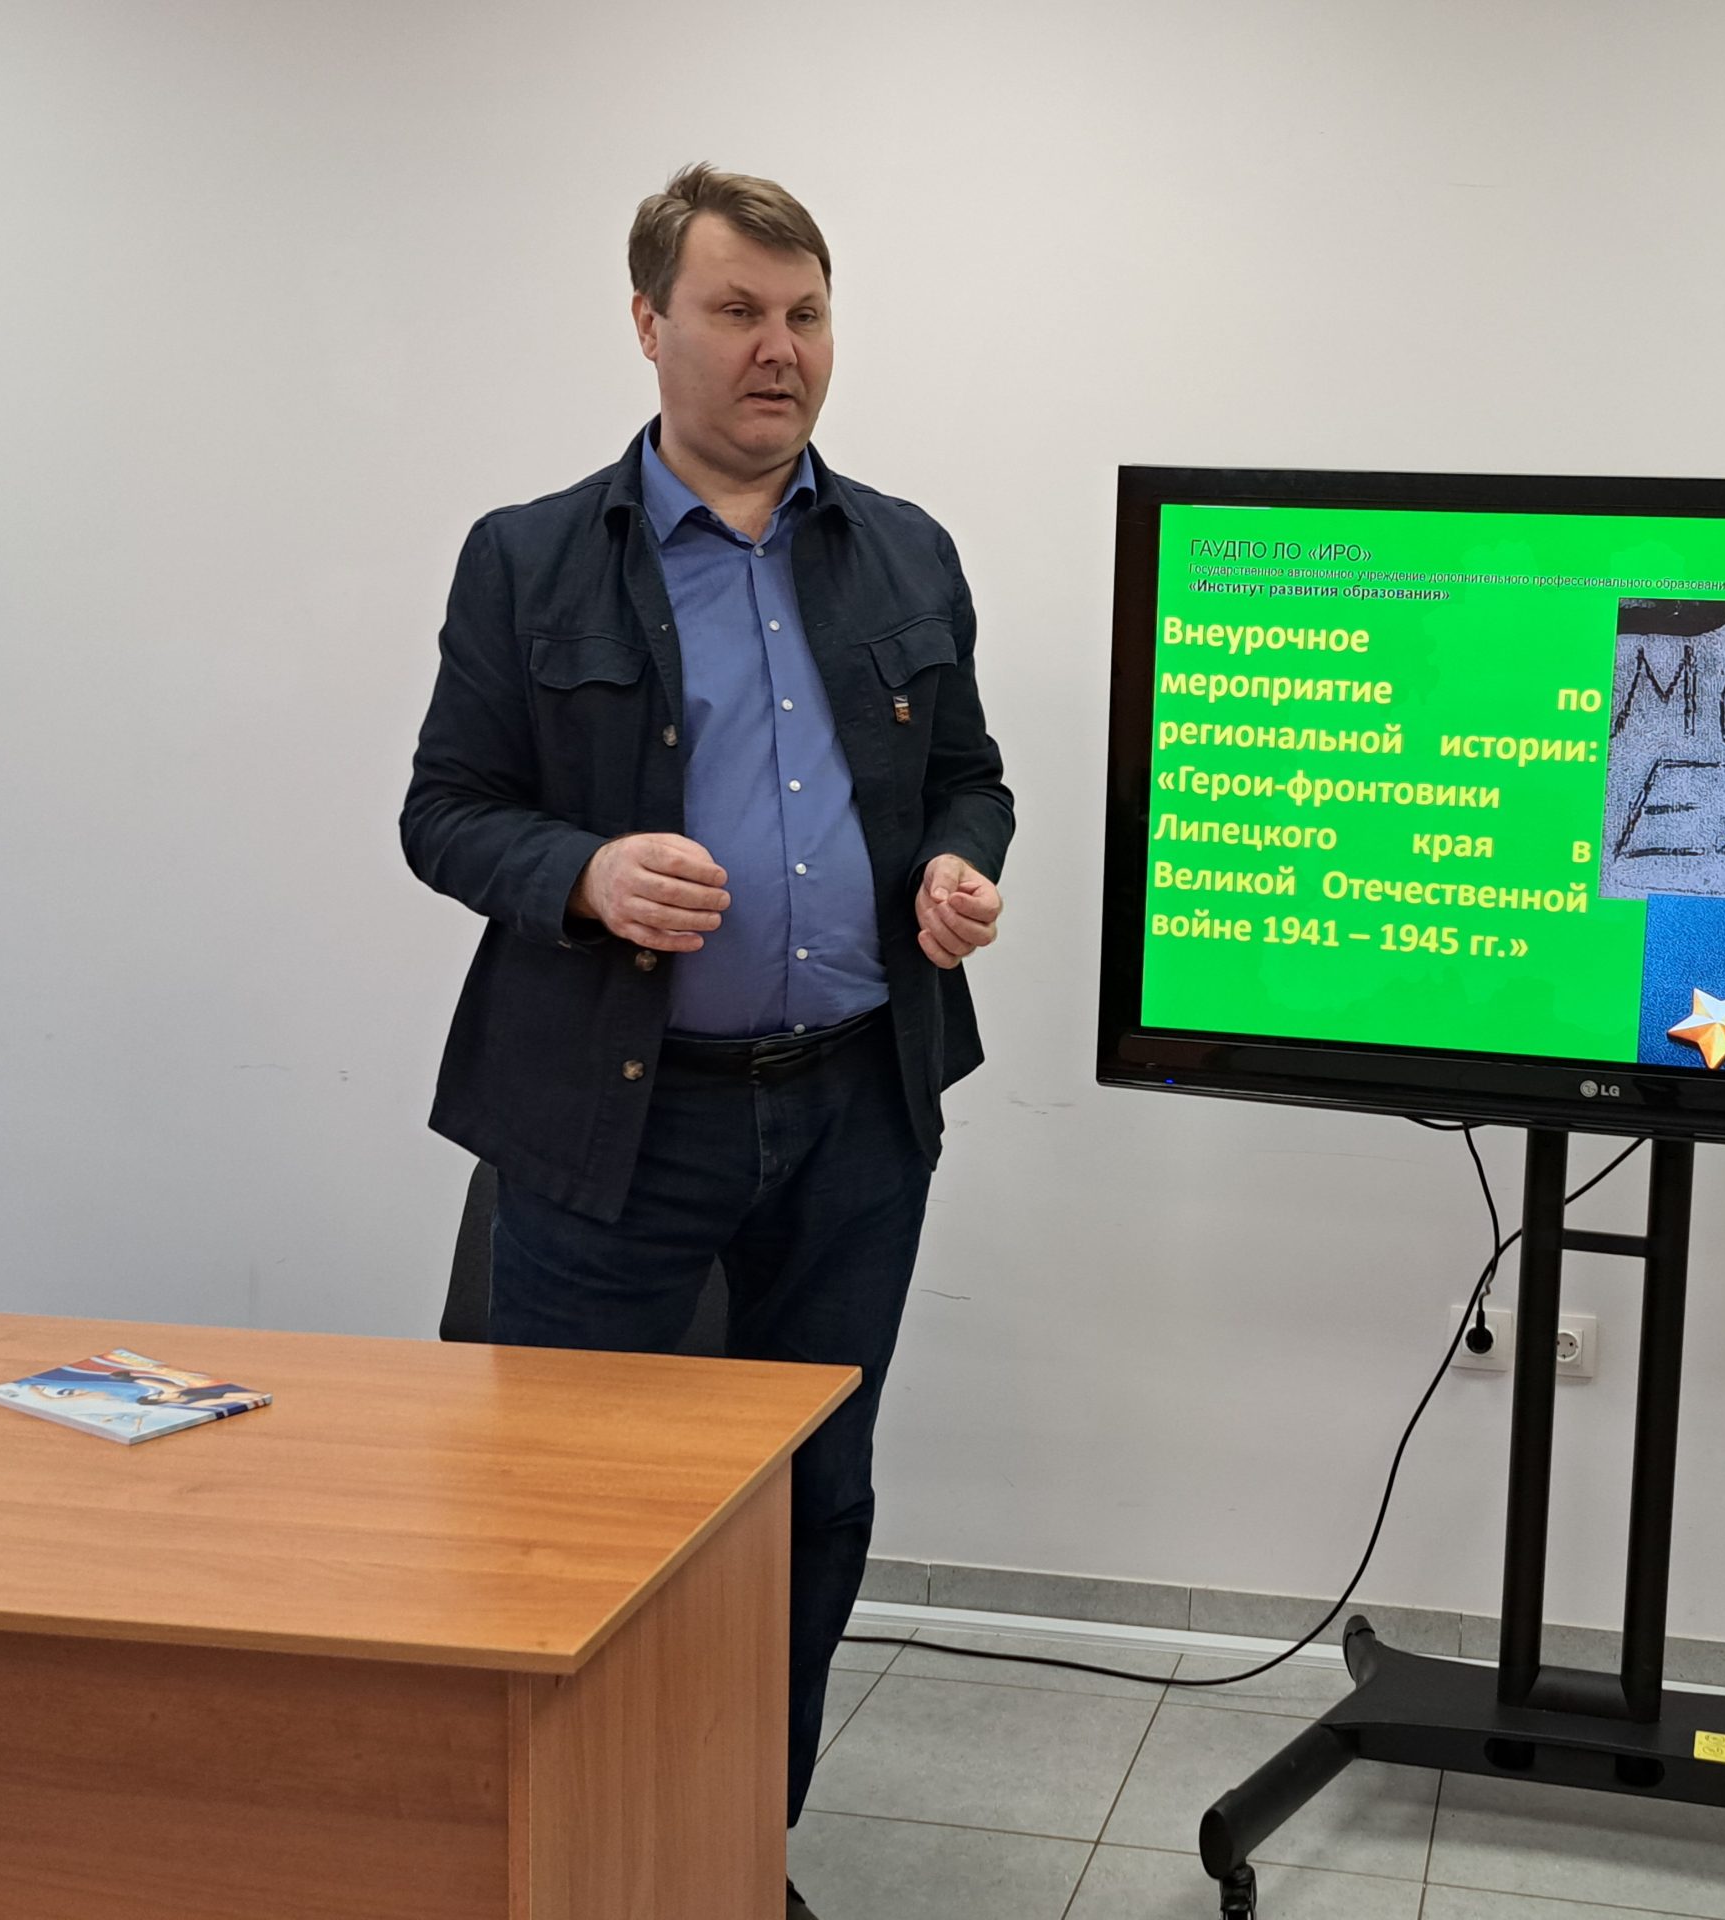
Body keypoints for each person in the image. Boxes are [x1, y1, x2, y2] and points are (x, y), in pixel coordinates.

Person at [401, 164, 1012, 1906]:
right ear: (649, 322)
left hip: (855, 1119)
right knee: (579, 1516)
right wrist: (586, 874)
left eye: (806, 315)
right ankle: (574, 1866)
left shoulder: (904, 548)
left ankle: (738, 1854)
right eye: (738, 311)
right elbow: (446, 814)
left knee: (812, 1507)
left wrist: (959, 863)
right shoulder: (529, 558)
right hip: (614, 1126)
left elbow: (971, 775)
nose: (779, 349)